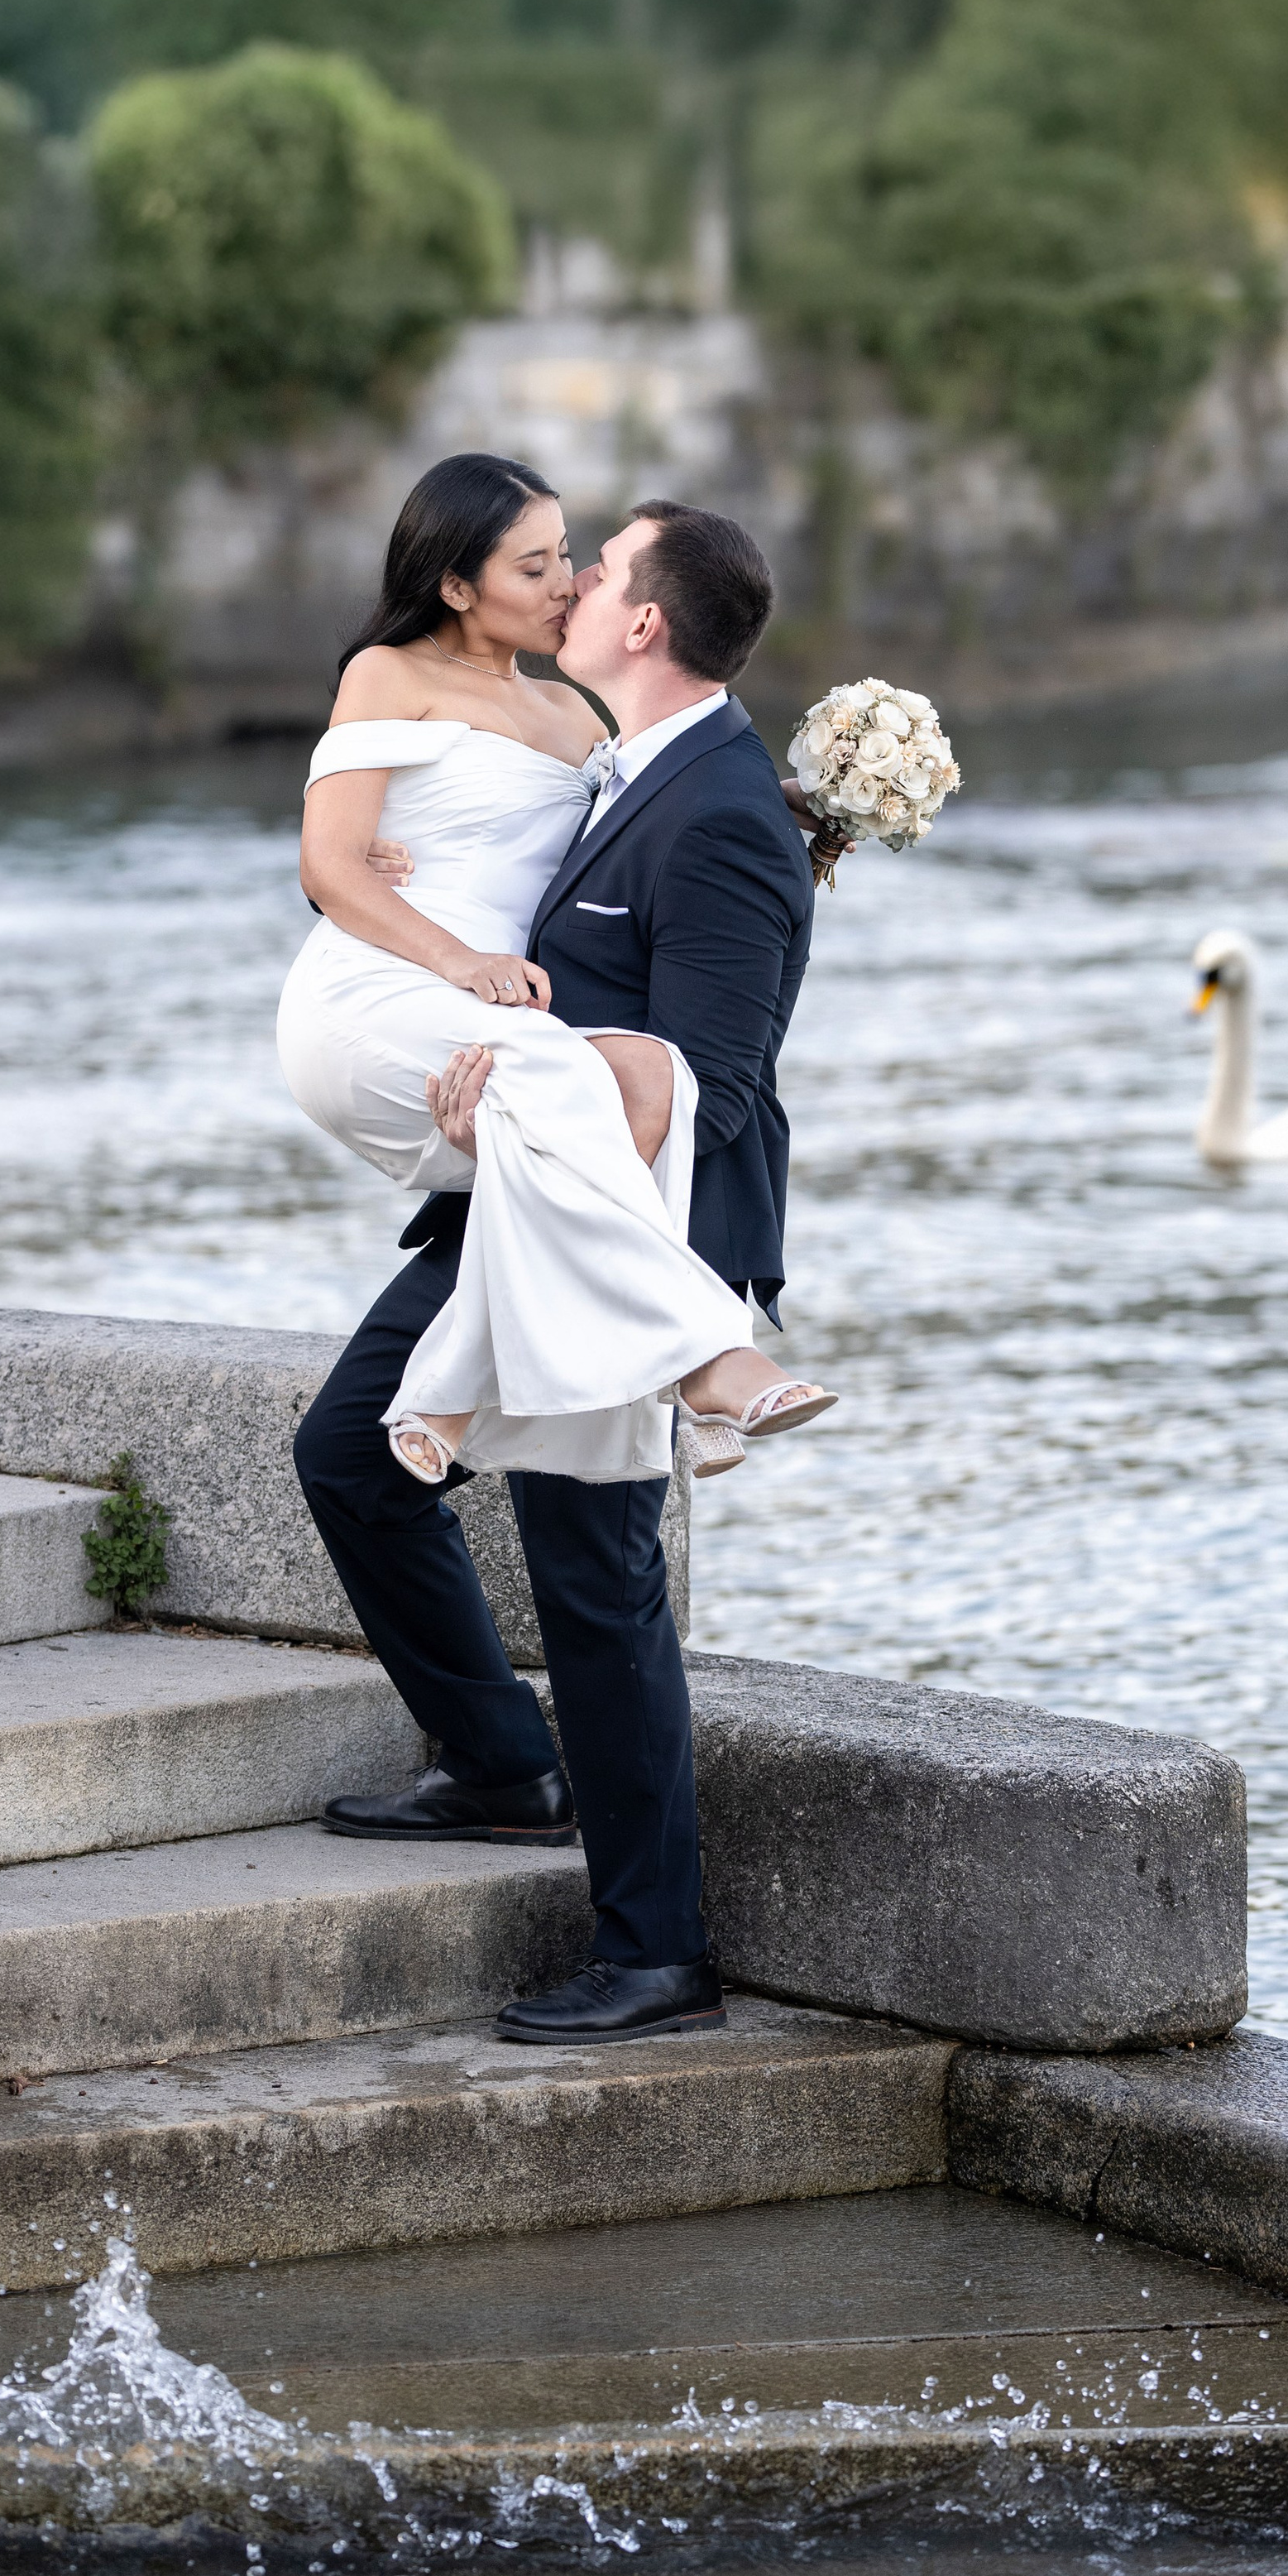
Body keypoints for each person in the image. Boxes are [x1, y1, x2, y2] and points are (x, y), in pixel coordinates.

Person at [288, 462, 824, 2045]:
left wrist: (540, 1061)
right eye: (550, 561)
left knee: (597, 1583)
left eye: (595, 572)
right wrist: (467, 1004)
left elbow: (714, 1089)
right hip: (516, 1192)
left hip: (626, 1228)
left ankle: (659, 1951)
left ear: (641, 619)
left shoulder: (720, 809)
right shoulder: (623, 762)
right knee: (351, 1457)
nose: (570, 581)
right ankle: (500, 1764)